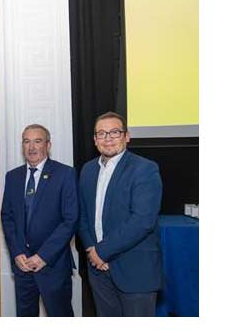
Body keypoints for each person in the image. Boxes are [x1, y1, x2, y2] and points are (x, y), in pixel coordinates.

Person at [78, 111, 163, 317]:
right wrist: (92, 250)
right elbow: (82, 216)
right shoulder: (88, 170)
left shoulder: (144, 169)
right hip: (98, 270)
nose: (108, 139)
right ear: (95, 140)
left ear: (127, 136)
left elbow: (142, 221)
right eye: (101, 134)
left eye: (114, 132)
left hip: (135, 271)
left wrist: (102, 251)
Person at [0, 124, 77, 316]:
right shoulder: (13, 176)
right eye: (27, 141)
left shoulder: (65, 174)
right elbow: (7, 217)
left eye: (37, 141)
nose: (31, 147)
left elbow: (70, 220)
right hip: (22, 265)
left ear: (48, 145)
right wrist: (17, 252)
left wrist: (43, 256)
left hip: (53, 265)